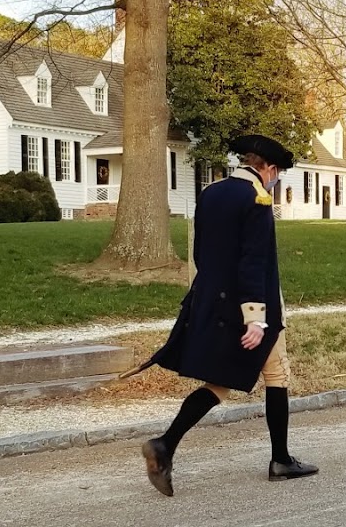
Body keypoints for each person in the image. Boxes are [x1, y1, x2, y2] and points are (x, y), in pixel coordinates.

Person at [131, 134, 318, 496]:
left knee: (221, 380)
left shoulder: (211, 192)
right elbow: (253, 262)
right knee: (277, 374)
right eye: (277, 175)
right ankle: (280, 460)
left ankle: (165, 445)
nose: (275, 182)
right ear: (270, 169)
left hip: (214, 303)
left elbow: (201, 252)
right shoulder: (258, 199)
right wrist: (256, 318)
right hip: (254, 308)